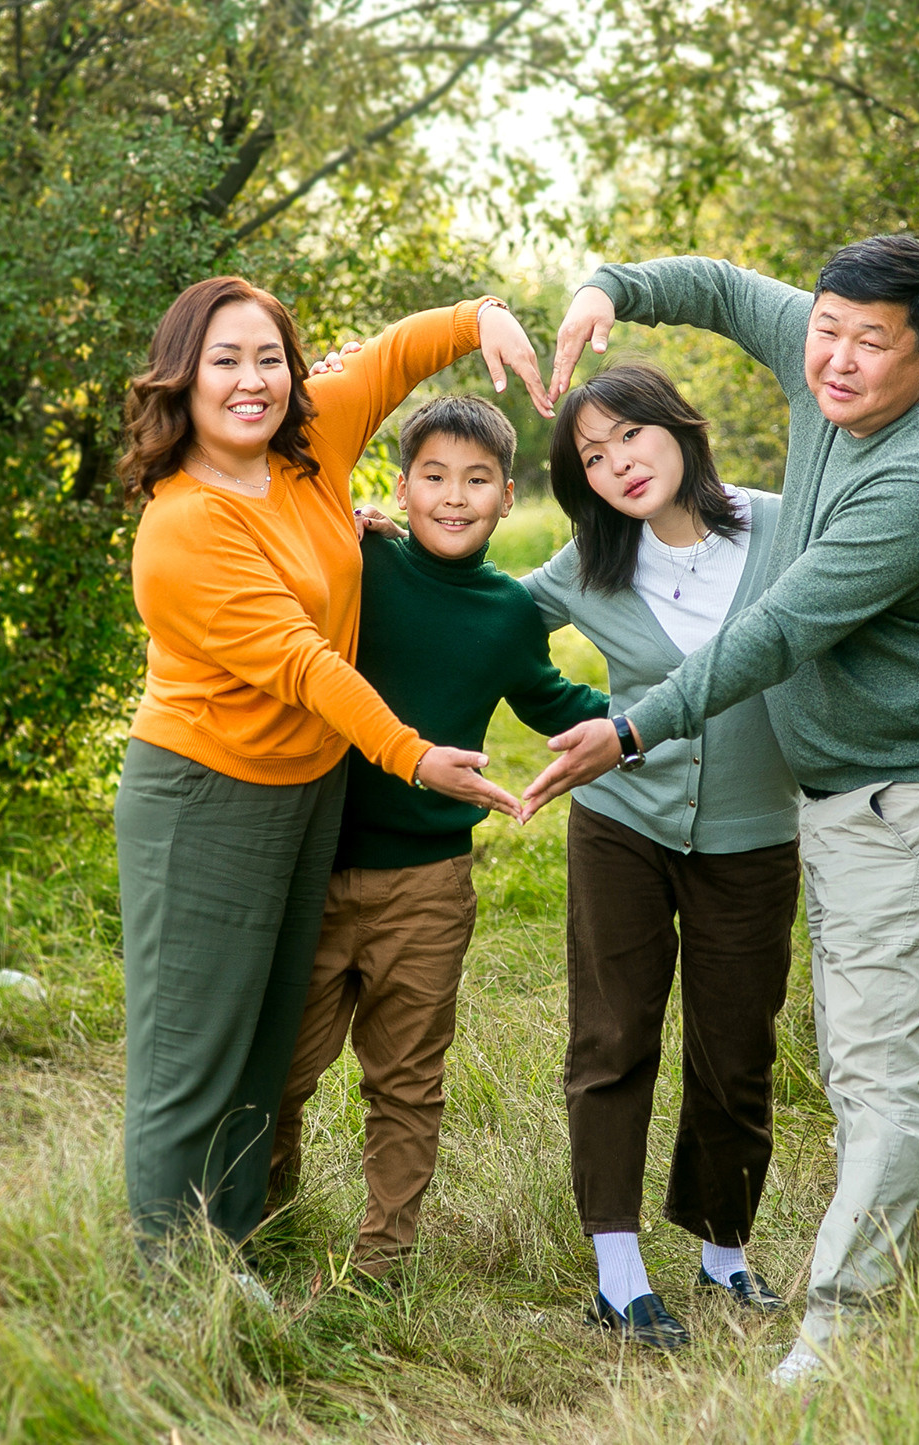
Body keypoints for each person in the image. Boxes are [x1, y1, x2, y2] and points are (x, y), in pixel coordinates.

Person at [525, 236, 919, 1383]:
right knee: (868, 1040)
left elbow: (776, 631)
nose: (836, 363)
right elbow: (707, 288)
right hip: (848, 797)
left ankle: (842, 1330)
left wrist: (635, 725)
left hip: (917, 792)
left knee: (865, 1069)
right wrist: (613, 287)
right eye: (825, 334)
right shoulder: (822, 350)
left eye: (870, 345)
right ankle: (907, 1122)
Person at [113, 276, 549, 1293]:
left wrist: (480, 317)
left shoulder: (305, 445)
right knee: (192, 1058)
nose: (251, 381)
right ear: (182, 379)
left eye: (268, 356)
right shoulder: (182, 529)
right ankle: (172, 1290)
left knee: (264, 1046)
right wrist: (412, 754)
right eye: (223, 361)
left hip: (306, 797)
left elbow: (394, 355)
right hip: (203, 796)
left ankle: (237, 1249)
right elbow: (306, 663)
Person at [267, 394, 607, 1281]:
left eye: (478, 480)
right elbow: (272, 570)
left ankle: (382, 1259)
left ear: (506, 498)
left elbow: (559, 704)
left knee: (407, 1080)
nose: (454, 497)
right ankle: (262, 1229)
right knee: (277, 1073)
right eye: (434, 476)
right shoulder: (359, 562)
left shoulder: (504, 614)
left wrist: (679, 707)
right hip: (313, 866)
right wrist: (330, 521)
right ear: (402, 487)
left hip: (426, 884)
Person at [523, 362, 803, 1352]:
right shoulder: (589, 564)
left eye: (628, 435)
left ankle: (724, 1253)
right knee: (612, 1038)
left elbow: (879, 581)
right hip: (619, 826)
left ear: (679, 426)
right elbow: (484, 614)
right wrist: (381, 549)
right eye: (590, 458)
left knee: (736, 1046)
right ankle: (617, 1271)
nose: (615, 464)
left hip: (756, 833)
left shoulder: (782, 526)